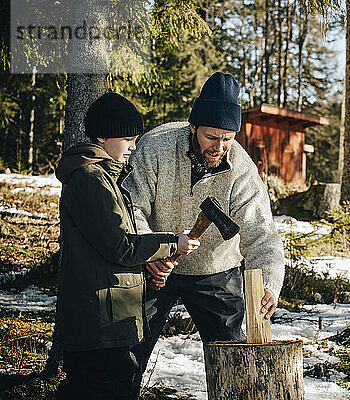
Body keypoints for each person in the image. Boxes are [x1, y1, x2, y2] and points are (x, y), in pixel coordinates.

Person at [125, 72, 285, 393]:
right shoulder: (156, 149)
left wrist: (268, 282)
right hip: (158, 265)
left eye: (228, 138)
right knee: (128, 350)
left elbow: (260, 233)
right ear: (193, 126)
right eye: (212, 136)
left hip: (216, 271)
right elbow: (132, 208)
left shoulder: (240, 167)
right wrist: (148, 252)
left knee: (231, 358)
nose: (220, 146)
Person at [54, 93, 200, 400]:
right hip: (98, 328)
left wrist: (148, 273)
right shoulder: (90, 180)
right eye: (128, 139)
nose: (133, 147)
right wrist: (173, 243)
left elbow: (109, 252)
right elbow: (120, 246)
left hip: (108, 323)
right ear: (103, 136)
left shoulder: (106, 179)